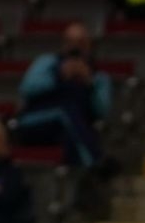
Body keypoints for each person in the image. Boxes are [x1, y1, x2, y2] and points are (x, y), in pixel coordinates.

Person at [13, 21, 118, 177]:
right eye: (70, 42)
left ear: (89, 46)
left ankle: (78, 188)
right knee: (65, 111)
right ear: (63, 44)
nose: (75, 48)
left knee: (71, 140)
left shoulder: (99, 77)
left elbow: (102, 111)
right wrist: (57, 77)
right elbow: (27, 88)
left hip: (71, 129)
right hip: (35, 122)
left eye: (80, 43)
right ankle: (96, 161)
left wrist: (90, 84)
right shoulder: (47, 63)